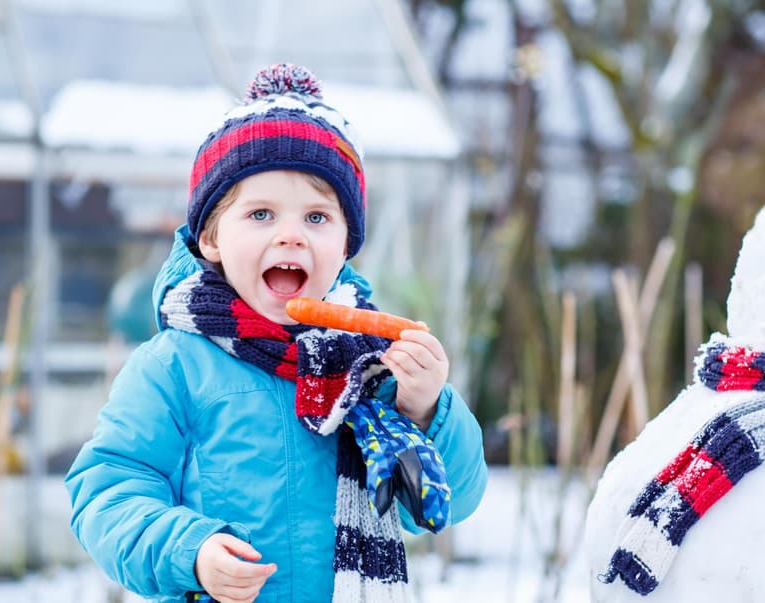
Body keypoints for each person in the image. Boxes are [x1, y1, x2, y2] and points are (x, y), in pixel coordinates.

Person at [66, 63, 488, 603]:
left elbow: (449, 501)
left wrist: (427, 410)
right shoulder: (174, 365)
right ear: (212, 240)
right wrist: (189, 551)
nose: (290, 235)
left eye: (317, 218)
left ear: (344, 246)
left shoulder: (369, 369)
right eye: (261, 214)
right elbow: (107, 489)